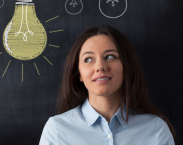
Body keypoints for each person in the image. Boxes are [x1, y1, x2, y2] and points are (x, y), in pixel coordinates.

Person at [39, 25, 176, 145]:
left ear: (126, 66)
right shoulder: (57, 130)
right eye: (88, 59)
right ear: (79, 73)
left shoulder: (156, 129)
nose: (100, 66)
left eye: (110, 57)